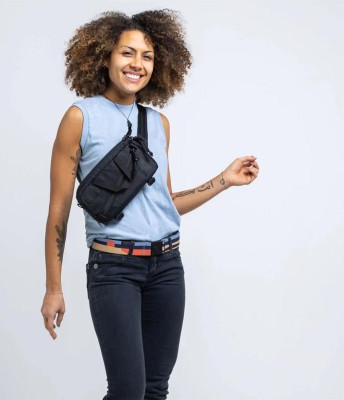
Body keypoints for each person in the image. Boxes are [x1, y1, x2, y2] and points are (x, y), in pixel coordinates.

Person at [41, 9, 259, 400]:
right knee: (127, 391)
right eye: (127, 53)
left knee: (155, 389)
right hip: (113, 269)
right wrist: (53, 288)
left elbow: (165, 203)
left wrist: (224, 180)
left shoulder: (158, 124)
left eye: (147, 56)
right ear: (105, 56)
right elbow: (59, 211)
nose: (137, 64)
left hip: (167, 267)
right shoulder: (79, 118)